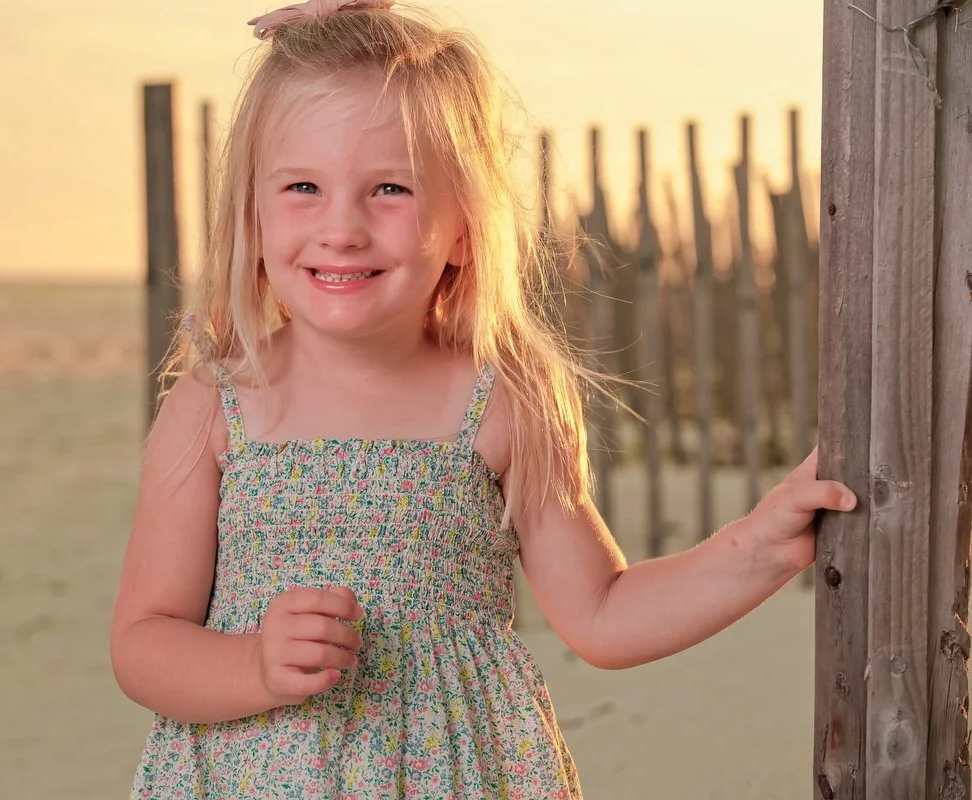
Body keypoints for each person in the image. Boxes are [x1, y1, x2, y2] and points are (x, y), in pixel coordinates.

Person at [109, 1, 858, 797]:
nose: (342, 229)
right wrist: (252, 664)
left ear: (463, 227)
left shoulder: (500, 401)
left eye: (389, 189)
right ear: (251, 217)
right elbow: (143, 641)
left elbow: (602, 614)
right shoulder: (215, 404)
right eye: (303, 186)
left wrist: (764, 545)